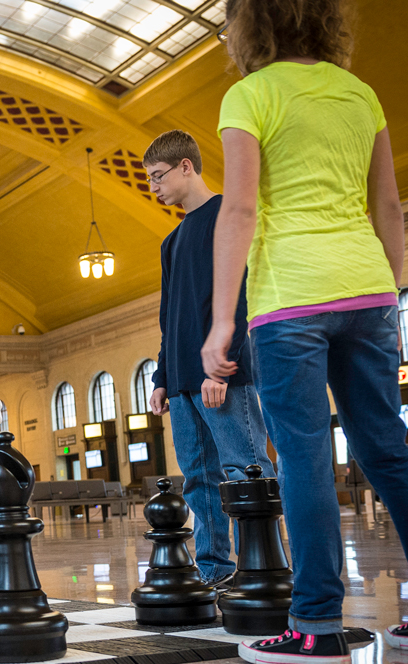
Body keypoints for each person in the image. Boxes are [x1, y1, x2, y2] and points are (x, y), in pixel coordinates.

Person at [202, 0, 408, 664]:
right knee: (389, 452)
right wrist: (385, 291)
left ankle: (316, 625)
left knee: (304, 457)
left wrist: (222, 321)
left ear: (248, 24)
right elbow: (389, 205)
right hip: (369, 288)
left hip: (291, 297)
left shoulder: (249, 95)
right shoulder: (359, 94)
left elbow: (238, 208)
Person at [144, 129, 276, 589]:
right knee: (199, 479)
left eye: (159, 176)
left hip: (223, 375)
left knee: (246, 470)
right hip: (182, 383)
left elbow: (244, 297)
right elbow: (169, 317)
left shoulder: (228, 215)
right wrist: (162, 375)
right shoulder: (171, 241)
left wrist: (225, 365)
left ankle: (265, 565)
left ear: (186, 166)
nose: (154, 187)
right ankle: (214, 569)